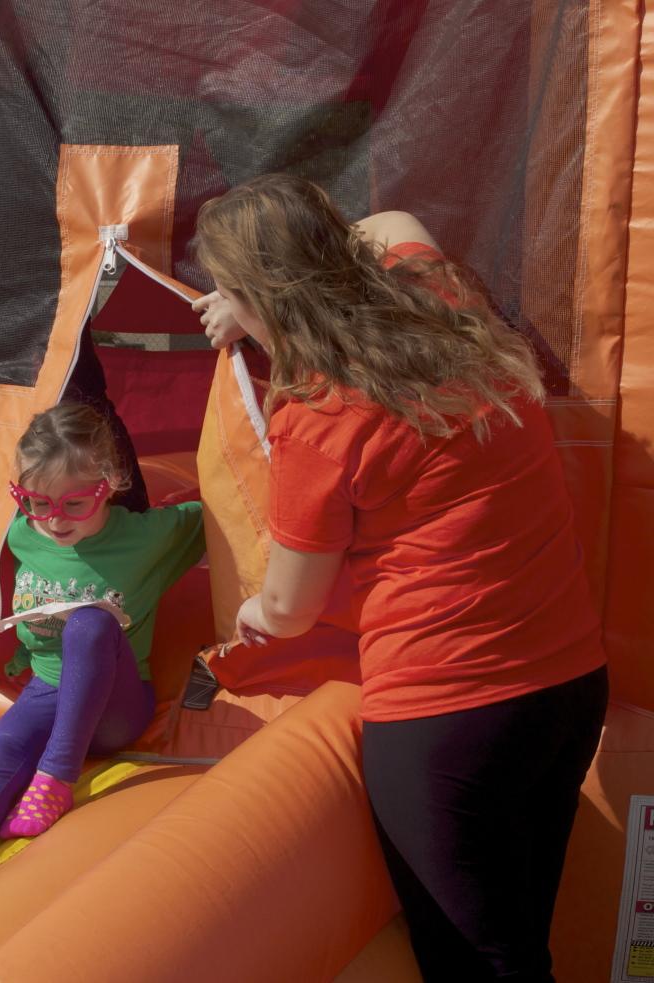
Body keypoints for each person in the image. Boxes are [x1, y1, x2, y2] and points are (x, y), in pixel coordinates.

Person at [191, 173, 607, 982]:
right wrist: (262, 293)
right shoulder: (439, 299)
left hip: (449, 718)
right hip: (567, 684)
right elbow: (389, 218)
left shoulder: (316, 413)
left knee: (475, 962)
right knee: (519, 940)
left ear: (265, 297)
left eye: (232, 290)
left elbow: (291, 605)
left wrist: (252, 611)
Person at [0, 403, 204, 888]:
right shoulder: (23, 533)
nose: (53, 519)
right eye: (36, 502)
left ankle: (56, 778)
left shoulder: (146, 538)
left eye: (73, 504)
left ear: (108, 485)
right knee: (4, 745)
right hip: (48, 688)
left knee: (91, 624)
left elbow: (232, 507)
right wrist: (22, 654)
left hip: (115, 708)